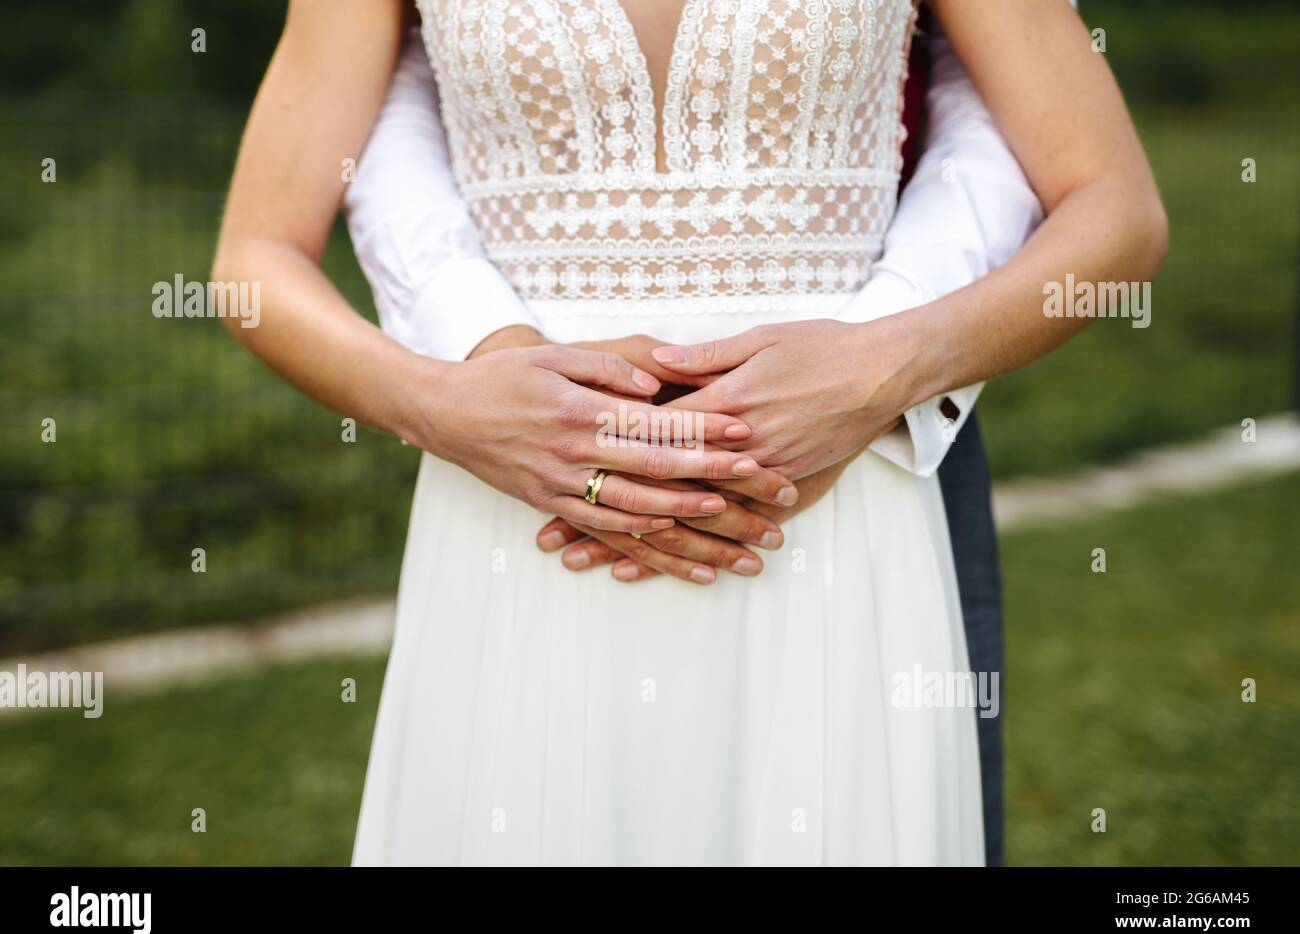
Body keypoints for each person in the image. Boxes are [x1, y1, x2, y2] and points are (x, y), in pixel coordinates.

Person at [213, 0, 1165, 865]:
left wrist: (884, 368)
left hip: (842, 488)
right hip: (514, 503)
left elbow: (1116, 208)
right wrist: (441, 400)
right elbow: (256, 257)